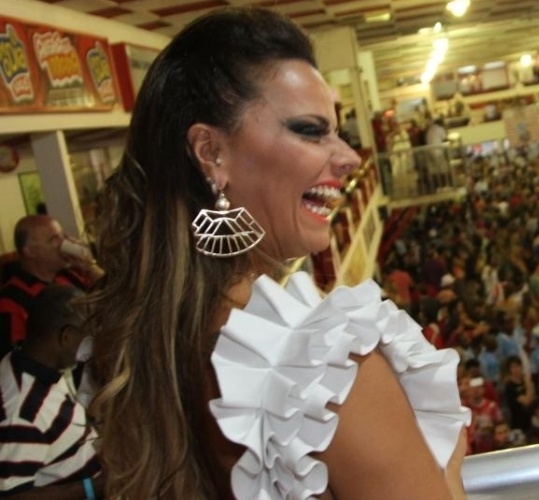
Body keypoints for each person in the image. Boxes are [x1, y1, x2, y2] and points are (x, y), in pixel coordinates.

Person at [83, 8, 469, 499]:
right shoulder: (325, 375)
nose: (349, 156)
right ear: (210, 152)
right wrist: (447, 474)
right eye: (311, 130)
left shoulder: (157, 344)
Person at [0, 285, 103, 497]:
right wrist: (93, 487)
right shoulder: (26, 414)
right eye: (87, 334)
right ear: (66, 337)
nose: (91, 343)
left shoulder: (24, 361)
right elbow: (11, 496)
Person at [0, 215, 103, 357]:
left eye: (63, 236)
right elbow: (15, 356)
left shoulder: (70, 274)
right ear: (30, 251)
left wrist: (89, 265)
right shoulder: (13, 299)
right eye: (54, 239)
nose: (64, 244)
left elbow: (113, 294)